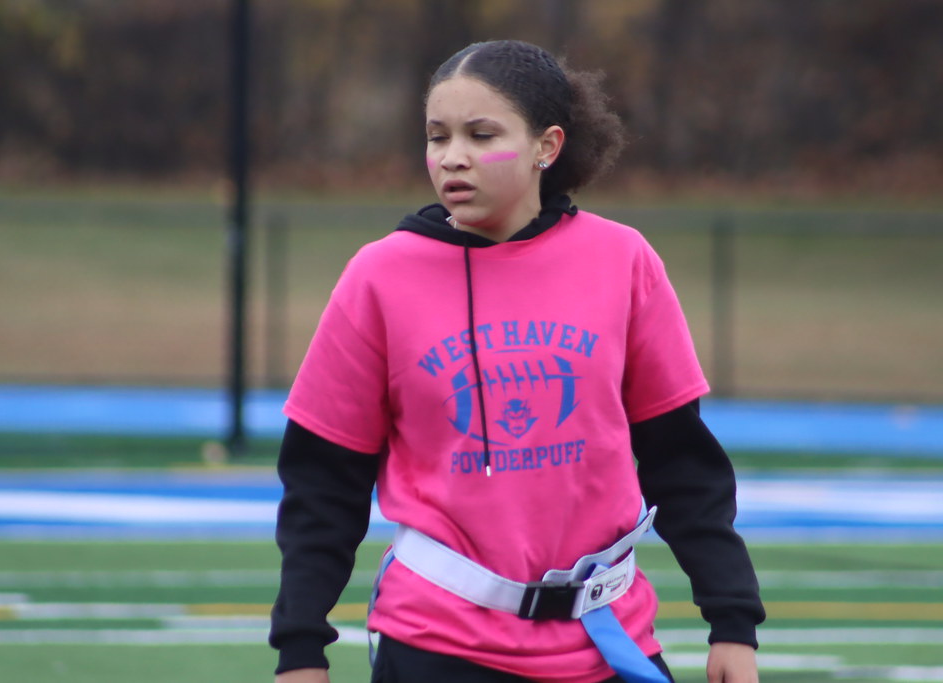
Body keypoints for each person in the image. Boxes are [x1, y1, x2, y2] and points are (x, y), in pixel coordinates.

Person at [269, 39, 764, 683]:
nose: (453, 157)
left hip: (607, 644)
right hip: (436, 643)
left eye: (481, 135)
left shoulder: (624, 261)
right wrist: (300, 649)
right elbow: (323, 482)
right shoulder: (379, 276)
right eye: (437, 136)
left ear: (546, 147)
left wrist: (733, 622)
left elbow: (683, 460)